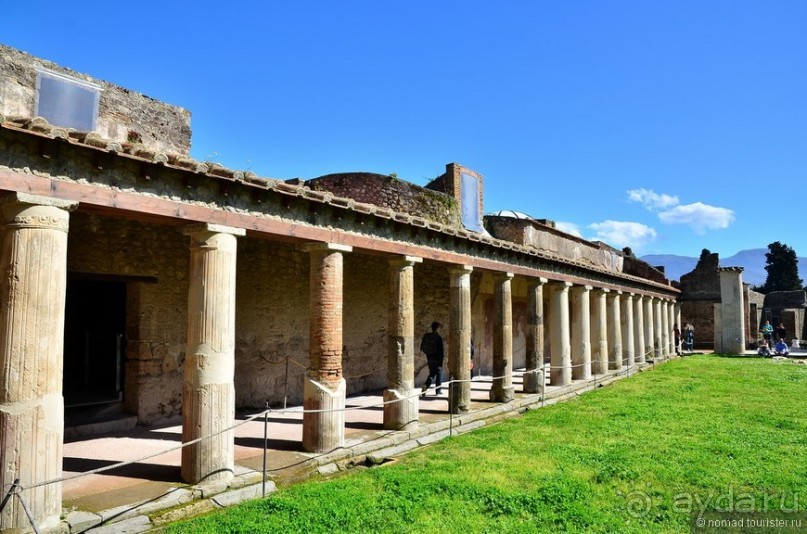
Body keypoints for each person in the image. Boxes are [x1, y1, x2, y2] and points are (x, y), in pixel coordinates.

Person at [420, 321, 444, 396]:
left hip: (429, 357)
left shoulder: (428, 336)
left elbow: (423, 347)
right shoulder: (438, 337)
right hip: (437, 358)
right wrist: (441, 360)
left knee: (432, 373)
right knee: (438, 373)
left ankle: (425, 386)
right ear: (437, 328)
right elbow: (441, 350)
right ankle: (438, 390)